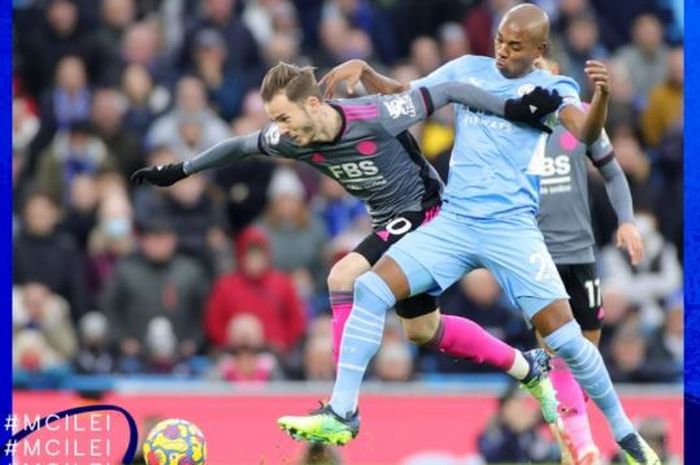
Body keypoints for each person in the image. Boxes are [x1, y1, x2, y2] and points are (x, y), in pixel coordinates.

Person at [281, 5, 660, 464]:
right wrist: (368, 73)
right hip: (456, 221)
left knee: (566, 341)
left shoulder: (554, 87)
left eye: (515, 45)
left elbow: (585, 133)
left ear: (539, 50)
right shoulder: (467, 68)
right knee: (369, 286)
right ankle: (342, 412)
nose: (502, 50)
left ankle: (625, 436)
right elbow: (409, 94)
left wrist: (600, 96)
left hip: (512, 228)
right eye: (500, 39)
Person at [132, 61, 565, 416]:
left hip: (426, 208)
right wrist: (180, 170)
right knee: (422, 332)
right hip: (387, 222)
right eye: (274, 120)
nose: (280, 128)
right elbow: (239, 146)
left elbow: (449, 90)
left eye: (284, 116)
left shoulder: (375, 114)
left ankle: (342, 407)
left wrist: (513, 110)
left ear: (315, 104)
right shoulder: (291, 140)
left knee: (343, 275)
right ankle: (526, 366)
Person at [533, 56, 643, 465]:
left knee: (585, 363)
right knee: (557, 356)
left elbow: (614, 174)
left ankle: (576, 446)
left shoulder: (578, 118)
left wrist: (627, 221)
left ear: (555, 68)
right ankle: (573, 451)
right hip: (535, 256)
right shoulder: (509, 122)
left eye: (541, 62)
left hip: (581, 253)